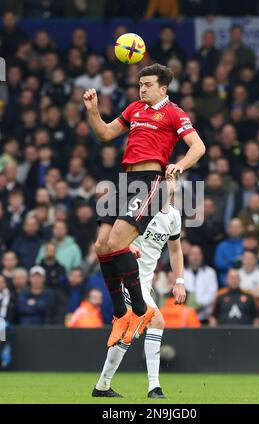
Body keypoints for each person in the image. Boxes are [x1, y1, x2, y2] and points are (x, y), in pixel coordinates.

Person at [83, 63, 205, 348]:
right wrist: (92, 112)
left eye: (148, 84)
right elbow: (104, 133)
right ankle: (119, 314)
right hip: (125, 180)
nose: (142, 89)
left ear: (163, 88)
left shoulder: (174, 112)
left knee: (116, 242)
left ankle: (140, 309)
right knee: (101, 245)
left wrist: (180, 164)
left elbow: (198, 146)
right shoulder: (134, 108)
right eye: (140, 84)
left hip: (150, 180)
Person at [93, 175, 186, 399]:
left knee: (129, 334)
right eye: (165, 183)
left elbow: (175, 251)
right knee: (156, 319)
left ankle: (102, 386)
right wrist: (126, 249)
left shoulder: (173, 217)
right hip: (128, 278)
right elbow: (111, 239)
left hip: (144, 282)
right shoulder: (140, 209)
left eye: (171, 184)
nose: (169, 187)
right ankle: (154, 387)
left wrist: (179, 281)